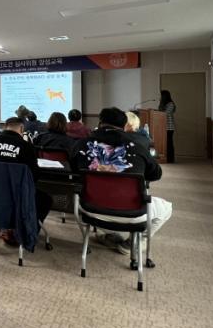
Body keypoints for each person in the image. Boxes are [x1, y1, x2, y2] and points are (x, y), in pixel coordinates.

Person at [72, 107, 171, 254]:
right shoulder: (137, 147)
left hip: (90, 209)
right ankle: (134, 243)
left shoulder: (81, 145)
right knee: (166, 208)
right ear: (125, 126)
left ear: (100, 123)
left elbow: (75, 170)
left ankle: (110, 234)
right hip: (131, 212)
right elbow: (156, 174)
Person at [0, 117, 53, 230]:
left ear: (5, 127)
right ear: (22, 129)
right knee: (46, 199)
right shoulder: (27, 147)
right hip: (18, 194)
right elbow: (34, 175)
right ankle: (25, 230)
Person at [159, 90, 176, 163]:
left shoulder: (170, 104)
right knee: (165, 144)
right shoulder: (163, 104)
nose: (160, 97)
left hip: (169, 127)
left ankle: (170, 159)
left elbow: (165, 114)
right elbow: (160, 112)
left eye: (161, 96)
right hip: (163, 127)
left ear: (165, 96)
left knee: (169, 144)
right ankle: (165, 158)